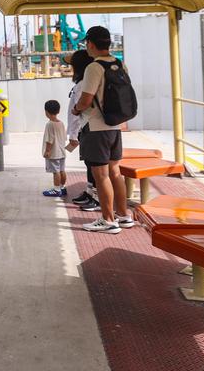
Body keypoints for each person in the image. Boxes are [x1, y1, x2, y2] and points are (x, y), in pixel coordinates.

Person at [71, 26, 135, 233]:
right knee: (115, 172)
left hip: (96, 127)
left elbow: (86, 98)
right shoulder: (119, 63)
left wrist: (76, 109)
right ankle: (124, 215)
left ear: (90, 43)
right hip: (115, 126)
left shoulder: (93, 67)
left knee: (101, 175)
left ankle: (108, 220)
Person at [64, 49, 98, 208]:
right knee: (90, 164)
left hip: (87, 129)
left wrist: (73, 134)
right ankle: (90, 193)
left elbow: (79, 111)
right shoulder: (83, 83)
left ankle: (96, 198)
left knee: (93, 165)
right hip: (86, 130)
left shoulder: (83, 85)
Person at [41, 100, 68, 197]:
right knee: (62, 170)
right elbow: (64, 137)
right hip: (62, 151)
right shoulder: (61, 123)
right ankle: (62, 187)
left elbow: (49, 140)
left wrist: (47, 151)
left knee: (55, 172)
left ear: (46, 112)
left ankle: (56, 190)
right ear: (58, 111)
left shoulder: (49, 124)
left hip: (53, 153)